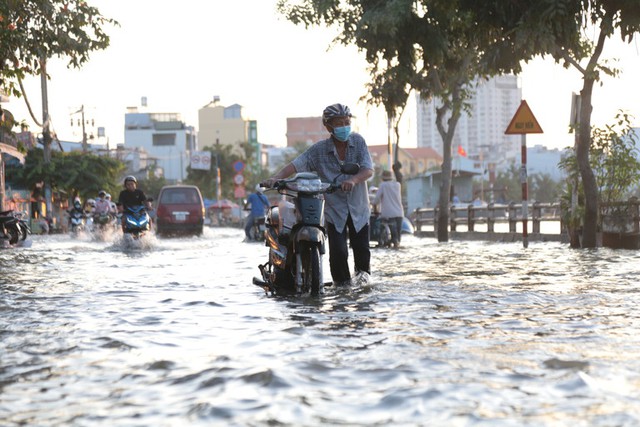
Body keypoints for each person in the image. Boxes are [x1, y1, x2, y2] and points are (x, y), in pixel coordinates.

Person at [261, 103, 374, 286]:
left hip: (358, 208)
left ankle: (363, 289)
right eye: (339, 123)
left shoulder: (358, 142)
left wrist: (352, 180)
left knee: (362, 251)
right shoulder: (319, 150)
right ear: (329, 127)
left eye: (347, 121)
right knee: (338, 253)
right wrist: (275, 178)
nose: (345, 125)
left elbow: (368, 170)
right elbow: (296, 164)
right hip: (334, 210)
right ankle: (341, 290)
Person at [372, 170, 404, 248]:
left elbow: (376, 200)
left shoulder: (383, 185)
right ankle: (396, 246)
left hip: (389, 213)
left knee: (393, 234)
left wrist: (372, 204)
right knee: (398, 236)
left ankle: (391, 244)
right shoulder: (398, 185)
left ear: (382, 178)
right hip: (399, 212)